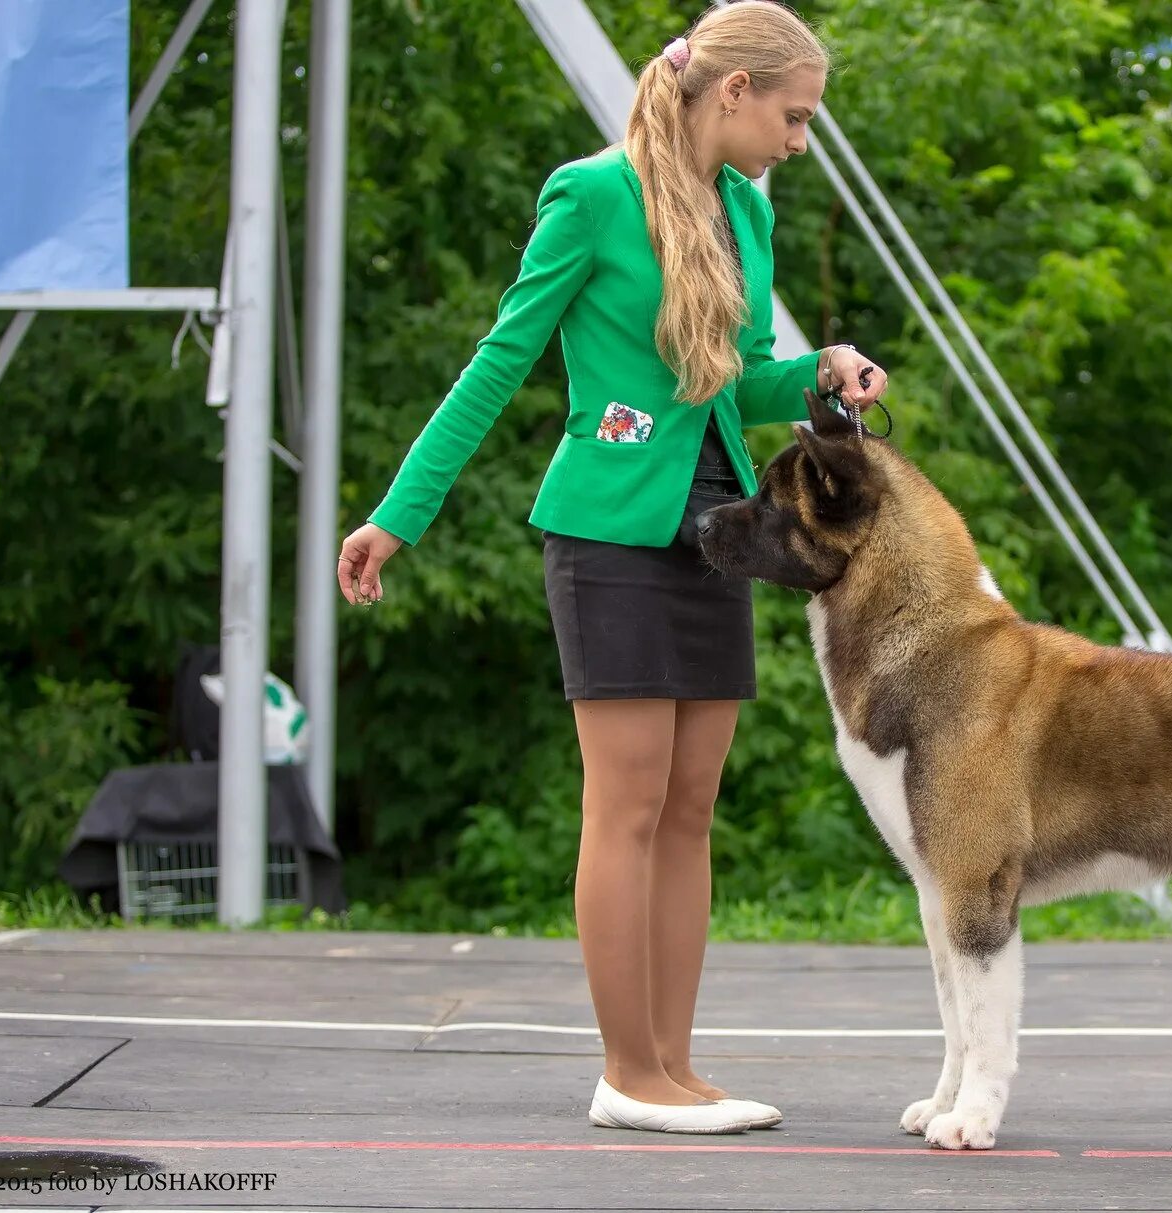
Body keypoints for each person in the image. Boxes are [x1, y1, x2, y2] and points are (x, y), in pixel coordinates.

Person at [336, 2, 888, 1135]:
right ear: (731, 92)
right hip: (608, 532)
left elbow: (735, 386)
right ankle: (625, 1073)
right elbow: (498, 364)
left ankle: (676, 1070)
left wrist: (822, 376)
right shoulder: (589, 195)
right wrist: (399, 514)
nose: (798, 140)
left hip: (717, 528)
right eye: (792, 117)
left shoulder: (744, 208)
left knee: (689, 810)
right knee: (627, 805)